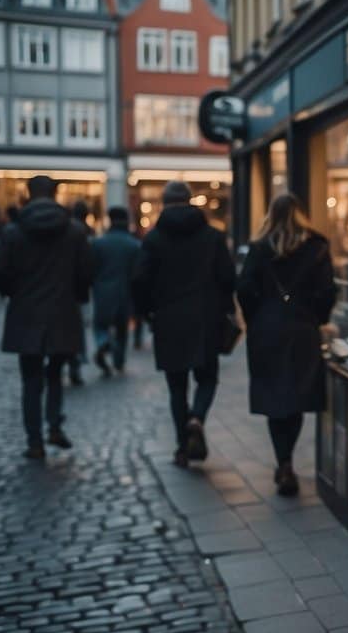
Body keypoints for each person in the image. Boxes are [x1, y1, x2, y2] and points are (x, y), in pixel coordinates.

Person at [236, 194, 336, 496]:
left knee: (273, 395)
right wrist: (317, 317)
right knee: (297, 395)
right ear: (300, 215)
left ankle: (283, 462)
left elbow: (244, 289)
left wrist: (255, 319)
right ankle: (288, 460)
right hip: (302, 329)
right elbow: (328, 292)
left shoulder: (258, 248)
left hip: (266, 329)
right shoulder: (317, 248)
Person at [133, 181, 235, 467]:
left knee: (177, 387)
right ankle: (197, 418)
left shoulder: (154, 239)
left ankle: (181, 447)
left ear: (164, 203)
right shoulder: (212, 237)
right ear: (190, 202)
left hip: (168, 320)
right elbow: (228, 278)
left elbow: (140, 280)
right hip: (206, 318)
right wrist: (224, 307)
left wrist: (148, 312)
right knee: (207, 376)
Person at [0, 176, 92, 460]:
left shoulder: (14, 232)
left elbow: (0, 272)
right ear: (55, 194)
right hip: (62, 310)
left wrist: (15, 294)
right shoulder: (73, 232)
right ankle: (54, 424)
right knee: (56, 373)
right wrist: (77, 295)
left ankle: (34, 439)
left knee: (31, 379)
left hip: (26, 313)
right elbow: (86, 271)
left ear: (28, 194)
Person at [90, 207, 141, 375]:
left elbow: (91, 269)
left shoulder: (98, 243)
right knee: (122, 329)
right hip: (125, 291)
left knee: (100, 325)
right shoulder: (134, 245)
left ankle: (104, 342)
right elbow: (138, 273)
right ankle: (119, 359)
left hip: (102, 290)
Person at [67, 199, 93, 386]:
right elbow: (85, 267)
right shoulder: (84, 233)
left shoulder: (68, 230)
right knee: (76, 331)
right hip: (74, 292)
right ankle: (75, 364)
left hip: (65, 289)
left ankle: (67, 363)